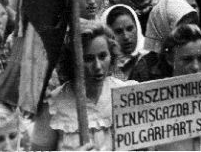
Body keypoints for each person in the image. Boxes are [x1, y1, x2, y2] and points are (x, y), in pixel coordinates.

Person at [31, 21, 136, 150]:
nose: (97, 66)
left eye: (102, 56)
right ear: (72, 61)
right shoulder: (53, 105)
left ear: (111, 55)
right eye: (88, 59)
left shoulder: (127, 94)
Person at [102, 4, 146, 80]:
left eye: (130, 29)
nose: (126, 37)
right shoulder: (101, 65)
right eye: (118, 31)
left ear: (137, 28)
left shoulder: (152, 59)